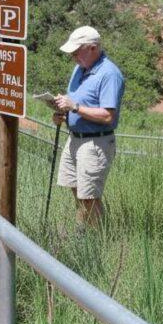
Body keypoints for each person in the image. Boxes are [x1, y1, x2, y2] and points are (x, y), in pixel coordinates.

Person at [52, 26, 125, 227]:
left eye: (77, 52)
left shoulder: (110, 74)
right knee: (77, 191)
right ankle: (82, 232)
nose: (74, 57)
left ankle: (97, 239)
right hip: (75, 139)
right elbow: (77, 102)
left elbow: (108, 116)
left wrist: (74, 107)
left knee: (89, 197)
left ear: (93, 48)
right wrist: (62, 114)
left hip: (95, 143)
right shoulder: (80, 69)